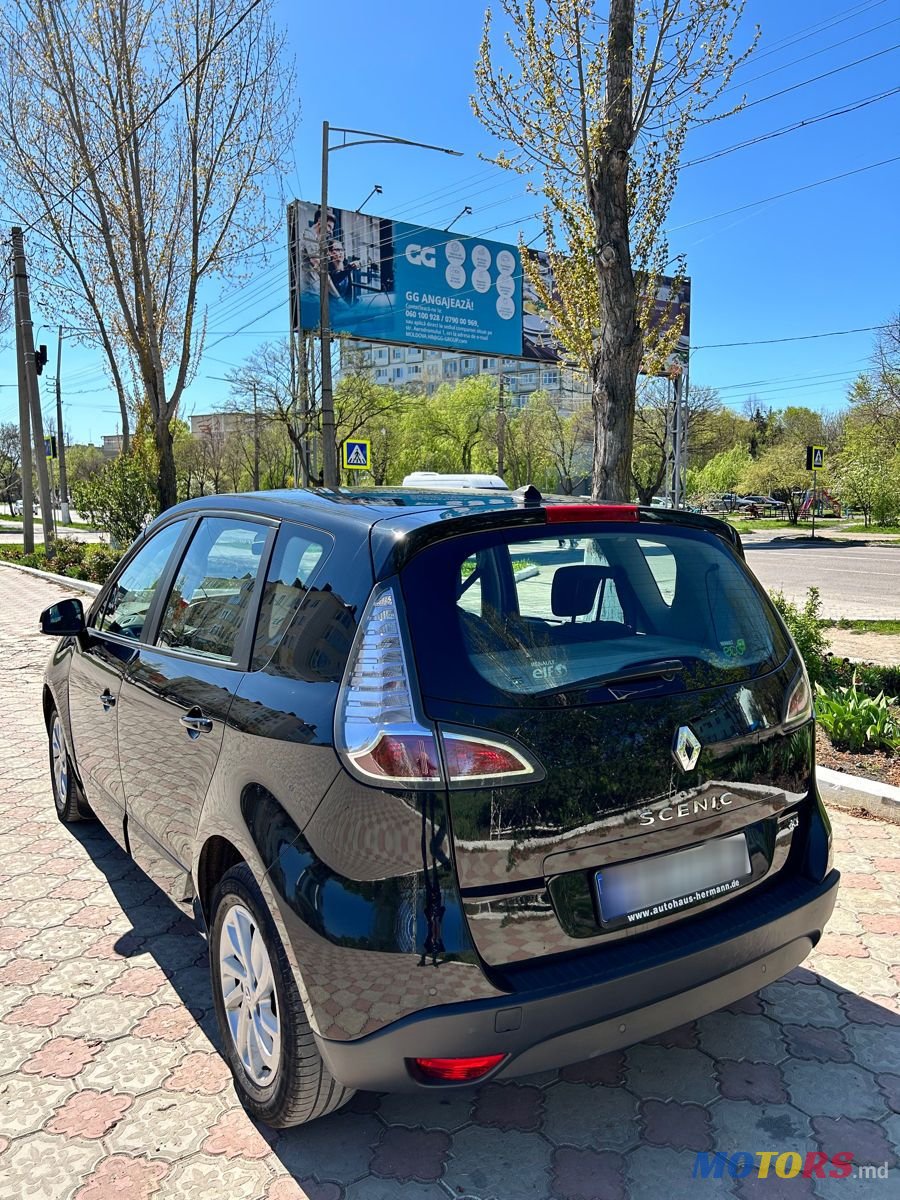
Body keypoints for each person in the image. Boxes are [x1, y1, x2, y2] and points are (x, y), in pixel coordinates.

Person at [299, 207, 335, 296]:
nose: (331, 232)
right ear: (320, 221)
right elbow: (319, 267)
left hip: (314, 292)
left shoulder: (317, 240)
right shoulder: (309, 236)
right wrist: (338, 297)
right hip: (309, 294)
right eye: (329, 227)